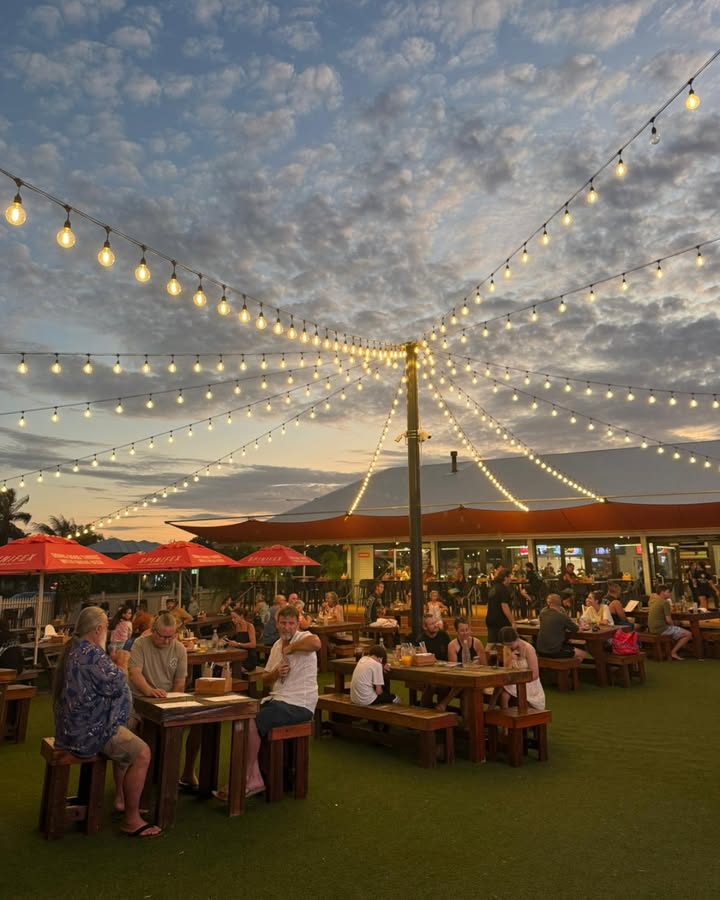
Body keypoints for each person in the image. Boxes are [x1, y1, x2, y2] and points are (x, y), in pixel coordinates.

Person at [53, 606, 160, 837]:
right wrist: (122, 661)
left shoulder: (75, 649)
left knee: (129, 736)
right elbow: (117, 683)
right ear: (98, 629)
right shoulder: (91, 654)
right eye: (106, 627)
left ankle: (122, 799)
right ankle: (131, 819)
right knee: (142, 753)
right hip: (88, 732)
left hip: (72, 728)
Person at [214, 605, 321, 801]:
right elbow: (265, 679)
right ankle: (253, 775)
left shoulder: (303, 638)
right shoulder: (275, 646)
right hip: (278, 700)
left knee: (254, 720)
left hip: (300, 704)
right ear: (277, 624)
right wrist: (276, 673)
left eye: (291, 623)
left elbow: (316, 643)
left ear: (297, 624)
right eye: (283, 623)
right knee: (244, 715)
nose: (287, 627)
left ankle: (248, 779)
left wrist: (291, 648)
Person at [128, 612, 200, 790]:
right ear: (153, 631)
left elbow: (180, 682)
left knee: (197, 724)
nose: (167, 641)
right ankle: (139, 780)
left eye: (171, 636)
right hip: (140, 699)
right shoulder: (140, 644)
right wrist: (149, 691)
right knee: (134, 727)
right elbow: (135, 673)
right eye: (163, 637)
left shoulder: (179, 649)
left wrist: (170, 704)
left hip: (167, 700)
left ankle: (184, 773)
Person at [498, 626, 545, 710]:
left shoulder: (528, 649)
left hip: (528, 681)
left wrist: (519, 681)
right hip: (513, 679)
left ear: (516, 639)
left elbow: (535, 674)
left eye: (511, 644)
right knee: (501, 691)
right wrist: (510, 658)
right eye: (507, 645)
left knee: (505, 691)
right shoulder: (507, 648)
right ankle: (503, 712)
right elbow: (506, 668)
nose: (510, 647)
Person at [537, 594, 587, 661]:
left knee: (567, 646)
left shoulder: (543, 613)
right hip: (554, 651)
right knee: (582, 653)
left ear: (548, 603)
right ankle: (570, 667)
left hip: (540, 650)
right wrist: (581, 625)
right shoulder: (562, 616)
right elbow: (578, 630)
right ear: (560, 603)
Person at [648, 586, 692, 660]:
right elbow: (668, 620)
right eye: (668, 592)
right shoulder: (665, 602)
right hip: (662, 629)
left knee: (677, 626)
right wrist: (673, 625)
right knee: (688, 634)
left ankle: (678, 649)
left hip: (652, 629)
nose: (670, 594)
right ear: (662, 592)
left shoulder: (652, 602)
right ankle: (673, 652)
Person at [485, 572, 517, 649]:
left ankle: (485, 656)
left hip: (490, 618)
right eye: (509, 577)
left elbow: (488, 604)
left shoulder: (493, 588)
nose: (510, 580)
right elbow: (504, 606)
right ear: (505, 578)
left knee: (491, 643)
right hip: (500, 620)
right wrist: (512, 622)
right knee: (505, 643)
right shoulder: (503, 590)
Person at [224, 608, 258, 673]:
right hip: (239, 657)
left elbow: (253, 644)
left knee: (231, 671)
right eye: (232, 618)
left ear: (241, 616)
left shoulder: (249, 626)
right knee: (222, 668)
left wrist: (238, 644)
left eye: (235, 617)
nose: (232, 620)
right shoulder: (237, 627)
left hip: (249, 658)